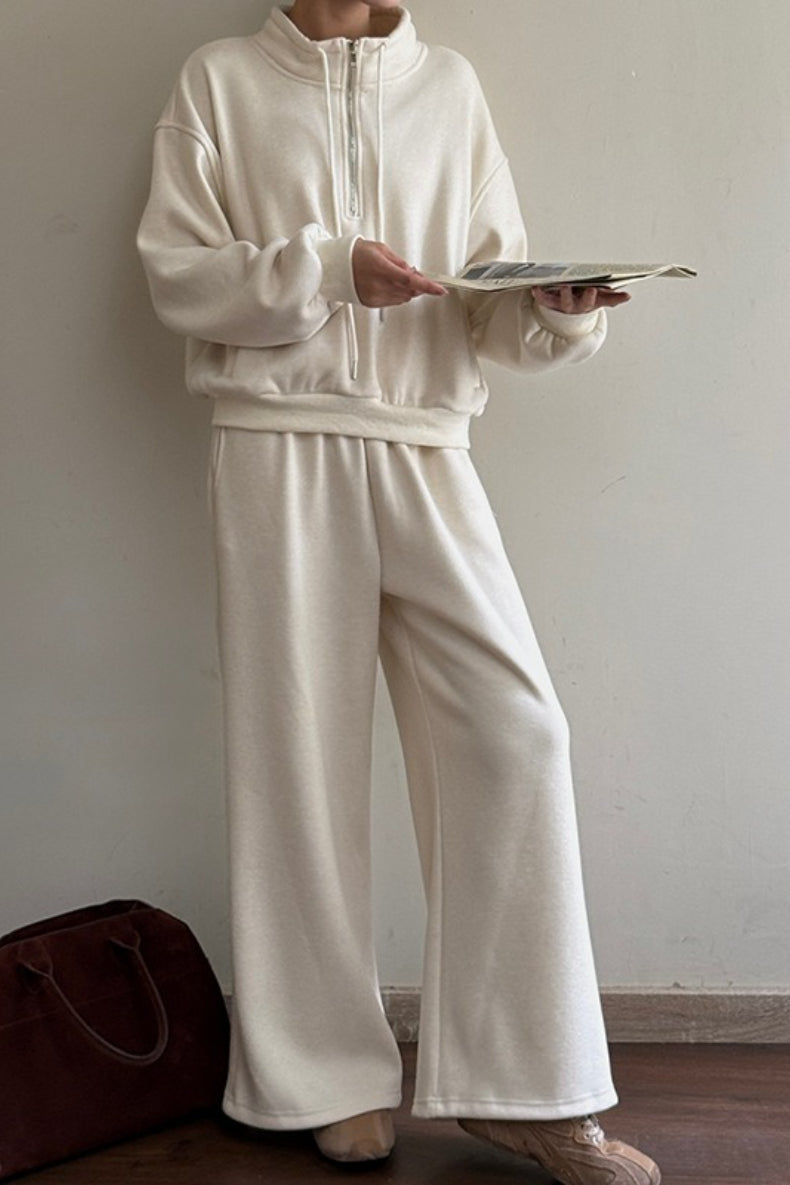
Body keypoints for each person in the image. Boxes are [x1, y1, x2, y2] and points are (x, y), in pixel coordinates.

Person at [137, 3, 660, 1182]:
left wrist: (553, 315)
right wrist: (329, 271)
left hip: (428, 445)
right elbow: (179, 277)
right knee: (298, 762)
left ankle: (522, 1090)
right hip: (275, 444)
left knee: (517, 733)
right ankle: (325, 1076)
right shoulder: (220, 81)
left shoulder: (449, 86)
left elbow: (485, 304)